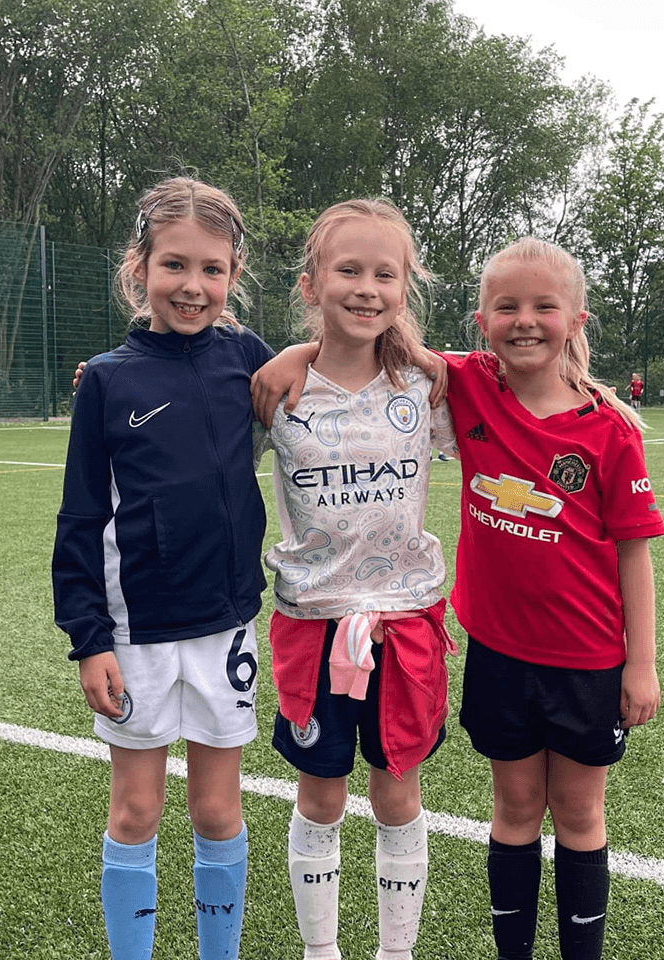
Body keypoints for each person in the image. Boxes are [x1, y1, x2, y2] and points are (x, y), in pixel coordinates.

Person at [252, 237, 664, 960]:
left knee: (577, 810)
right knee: (511, 809)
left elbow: (635, 553)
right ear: (482, 320)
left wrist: (642, 662)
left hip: (590, 659)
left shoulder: (608, 430)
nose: (526, 320)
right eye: (507, 306)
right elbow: (378, 348)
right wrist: (299, 352)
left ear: (578, 319)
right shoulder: (468, 384)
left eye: (544, 306)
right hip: (499, 653)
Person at [53, 177, 272, 960]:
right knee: (136, 812)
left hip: (226, 626)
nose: (193, 285)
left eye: (213, 269)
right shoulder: (109, 380)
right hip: (134, 632)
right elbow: (80, 518)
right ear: (139, 266)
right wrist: (89, 639)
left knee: (218, 812)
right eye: (174, 264)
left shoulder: (249, 358)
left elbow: (328, 386)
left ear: (234, 275)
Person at [258, 199, 457, 960]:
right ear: (311, 285)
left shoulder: (427, 388)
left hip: (406, 621)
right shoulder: (277, 390)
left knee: (397, 793)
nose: (366, 287)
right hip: (311, 620)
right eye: (349, 270)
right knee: (321, 795)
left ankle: (395, 952)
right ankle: (321, 953)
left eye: (385, 273)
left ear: (405, 288)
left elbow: (520, 404)